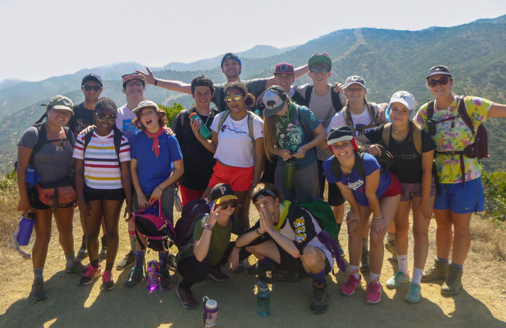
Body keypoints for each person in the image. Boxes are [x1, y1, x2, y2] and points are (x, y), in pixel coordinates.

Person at [413, 65, 506, 295]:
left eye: (442, 80)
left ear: (451, 82)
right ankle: (440, 270)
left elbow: (502, 110)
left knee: (461, 228)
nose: (438, 85)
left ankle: (455, 275)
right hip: (439, 178)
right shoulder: (426, 111)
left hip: (467, 177)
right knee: (442, 225)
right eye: (432, 82)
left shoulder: (469, 104)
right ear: (428, 86)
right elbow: (407, 130)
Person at [357, 91, 436, 303]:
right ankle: (403, 272)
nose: (398, 114)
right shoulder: (383, 132)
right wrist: (367, 147)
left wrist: (427, 200)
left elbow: (427, 170)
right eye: (394, 109)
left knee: (420, 233)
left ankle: (416, 282)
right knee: (400, 229)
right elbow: (354, 142)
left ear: (411, 113)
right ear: (388, 110)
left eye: (404, 111)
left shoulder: (422, 136)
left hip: (422, 186)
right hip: (398, 187)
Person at [17, 95, 85, 300]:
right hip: (38, 194)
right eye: (58, 111)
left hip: (64, 192)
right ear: (48, 111)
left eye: (66, 112)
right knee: (43, 236)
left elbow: (75, 164)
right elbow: (21, 169)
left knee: (66, 229)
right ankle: (37, 279)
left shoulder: (69, 135)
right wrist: (23, 199)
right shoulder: (32, 134)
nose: (62, 115)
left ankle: (71, 262)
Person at [323, 125, 401, 304]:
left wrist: (378, 218)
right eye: (336, 146)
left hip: (388, 191)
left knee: (376, 234)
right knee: (353, 228)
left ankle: (374, 282)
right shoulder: (329, 165)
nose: (341, 149)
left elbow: (371, 194)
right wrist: (356, 212)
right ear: (331, 149)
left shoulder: (367, 161)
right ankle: (354, 275)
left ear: (353, 145)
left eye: (345, 144)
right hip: (363, 196)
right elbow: (346, 192)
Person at [235, 183, 335, 315]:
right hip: (296, 259)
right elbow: (242, 242)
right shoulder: (267, 220)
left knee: (308, 253)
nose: (263, 208)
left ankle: (319, 285)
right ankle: (287, 273)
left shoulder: (297, 214)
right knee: (252, 245)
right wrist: (236, 248)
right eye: (259, 206)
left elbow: (295, 252)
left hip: (318, 259)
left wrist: (269, 229)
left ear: (276, 201)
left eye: (266, 202)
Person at [326, 75, 386, 273]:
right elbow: (331, 143)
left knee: (376, 208)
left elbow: (392, 129)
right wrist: (365, 148)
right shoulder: (339, 118)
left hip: (376, 168)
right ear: (345, 93)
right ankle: (363, 251)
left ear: (365, 92)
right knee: (360, 211)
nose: (354, 92)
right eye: (350, 89)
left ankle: (377, 248)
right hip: (352, 170)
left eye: (358, 89)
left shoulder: (377, 111)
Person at [73, 97, 133, 290]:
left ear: (115, 118)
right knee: (91, 233)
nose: (106, 120)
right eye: (102, 116)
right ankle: (93, 266)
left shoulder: (120, 140)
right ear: (94, 116)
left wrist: (130, 201)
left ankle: (107, 271)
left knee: (112, 230)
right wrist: (80, 197)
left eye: (111, 117)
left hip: (114, 193)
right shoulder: (84, 137)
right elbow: (78, 170)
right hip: (91, 191)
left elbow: (125, 173)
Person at [136, 52, 320, 112]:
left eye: (234, 63)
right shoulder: (217, 89)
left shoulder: (253, 85)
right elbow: (184, 87)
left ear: (240, 68)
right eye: (226, 64)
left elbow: (284, 77)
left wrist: (310, 66)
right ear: (222, 70)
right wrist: (155, 81)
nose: (230, 66)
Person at [126, 100, 184, 288]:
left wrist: (161, 187)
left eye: (149, 112)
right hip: (142, 190)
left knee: (164, 226)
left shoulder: (170, 139)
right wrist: (139, 194)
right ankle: (138, 264)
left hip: (164, 190)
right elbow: (133, 167)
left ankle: (164, 265)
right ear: (140, 120)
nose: (146, 116)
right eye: (142, 114)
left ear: (158, 115)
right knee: (140, 225)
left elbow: (179, 169)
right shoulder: (137, 138)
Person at [292, 55, 349, 244]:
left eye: (323, 70)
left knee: (337, 200)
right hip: (311, 155)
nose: (319, 73)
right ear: (309, 74)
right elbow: (282, 86)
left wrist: (381, 108)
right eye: (315, 70)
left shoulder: (338, 94)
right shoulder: (304, 92)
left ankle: (334, 237)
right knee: (314, 196)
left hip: (335, 155)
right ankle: (315, 233)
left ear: (329, 73)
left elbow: (358, 105)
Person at [176, 183, 250, 309]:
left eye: (231, 202)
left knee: (248, 245)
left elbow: (246, 235)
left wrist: (237, 248)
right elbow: (199, 256)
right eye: (223, 204)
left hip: (211, 257)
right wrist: (209, 226)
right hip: (190, 261)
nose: (229, 207)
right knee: (202, 267)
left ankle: (212, 268)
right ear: (213, 206)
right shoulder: (203, 222)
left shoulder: (232, 219)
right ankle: (183, 288)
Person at [205, 82, 264, 231]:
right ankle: (213, 247)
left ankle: (241, 251)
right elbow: (215, 146)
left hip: (243, 174)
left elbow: (258, 156)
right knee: (208, 205)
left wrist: (255, 185)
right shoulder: (221, 118)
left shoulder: (256, 122)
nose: (232, 101)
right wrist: (199, 137)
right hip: (220, 171)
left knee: (240, 214)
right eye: (228, 98)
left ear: (245, 97)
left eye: (236, 96)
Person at [261, 85, 326, 203]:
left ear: (286, 99)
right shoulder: (270, 117)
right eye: (273, 110)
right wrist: (279, 152)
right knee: (283, 202)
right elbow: (268, 144)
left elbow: (322, 134)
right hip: (283, 167)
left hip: (306, 165)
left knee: (309, 202)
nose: (277, 112)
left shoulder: (302, 112)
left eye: (279, 108)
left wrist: (305, 147)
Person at [68, 73, 108, 261]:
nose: (92, 90)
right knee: (84, 206)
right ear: (82, 89)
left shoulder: (106, 110)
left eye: (96, 88)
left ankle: (106, 240)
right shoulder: (73, 112)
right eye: (88, 87)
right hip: (79, 167)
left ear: (101, 90)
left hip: (103, 166)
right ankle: (87, 238)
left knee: (104, 206)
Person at [172, 75, 218, 205]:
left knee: (214, 216)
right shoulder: (183, 117)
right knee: (190, 216)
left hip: (214, 178)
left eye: (206, 93)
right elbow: (175, 147)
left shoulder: (219, 117)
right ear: (192, 95)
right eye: (198, 93)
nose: (202, 97)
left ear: (212, 94)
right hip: (188, 179)